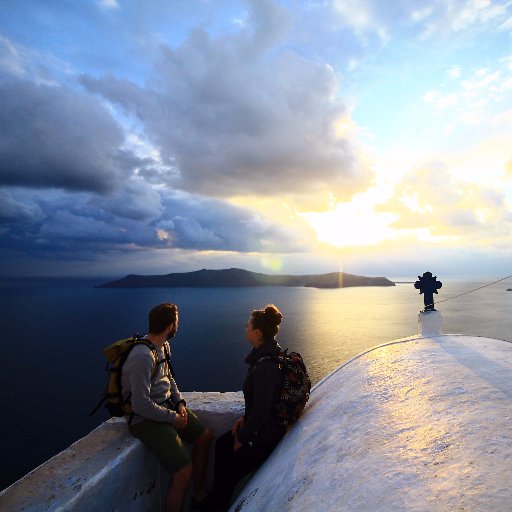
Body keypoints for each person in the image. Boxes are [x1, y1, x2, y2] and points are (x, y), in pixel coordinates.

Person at [122, 303, 214, 512]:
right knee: (183, 471)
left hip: (167, 406)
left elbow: (168, 377)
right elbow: (140, 404)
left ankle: (199, 494)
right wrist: (173, 418)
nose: (178, 326)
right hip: (144, 420)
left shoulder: (162, 346)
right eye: (177, 323)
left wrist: (180, 402)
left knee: (205, 436)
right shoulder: (142, 357)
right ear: (170, 326)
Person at [203, 304, 287, 511]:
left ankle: (217, 505)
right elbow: (258, 404)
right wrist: (244, 418)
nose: (245, 327)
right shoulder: (265, 354)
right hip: (261, 429)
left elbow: (261, 411)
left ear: (257, 333)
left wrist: (242, 438)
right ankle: (216, 500)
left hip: (264, 437)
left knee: (229, 471)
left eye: (248, 325)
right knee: (222, 445)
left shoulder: (265, 366)